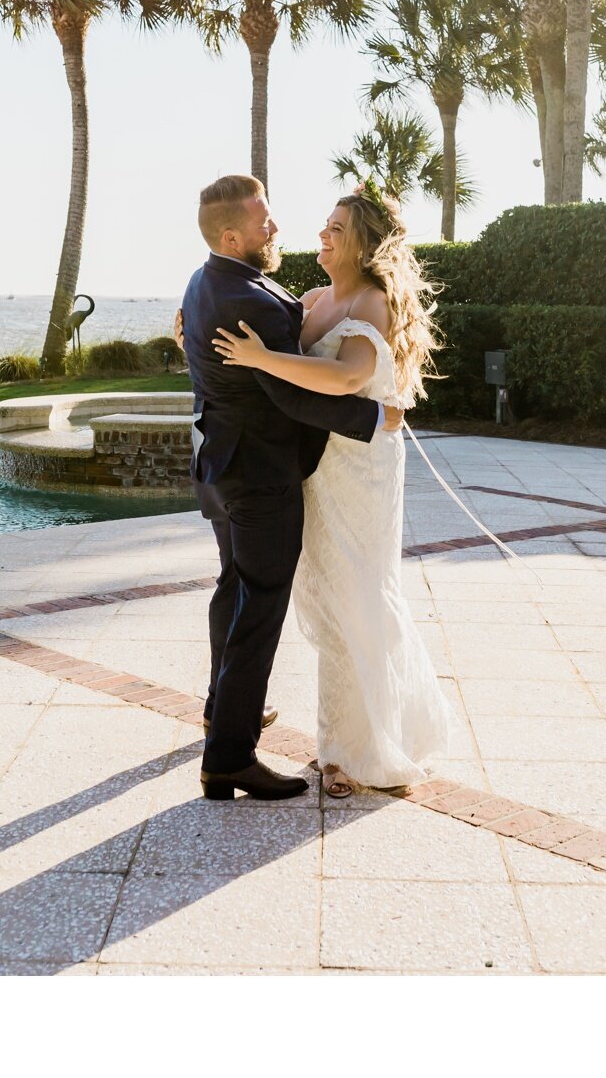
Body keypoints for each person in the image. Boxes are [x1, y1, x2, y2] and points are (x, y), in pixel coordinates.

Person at [213, 187, 455, 795]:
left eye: (337, 229)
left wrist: (261, 359)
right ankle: (336, 746)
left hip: (363, 465)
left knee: (361, 596)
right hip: (319, 466)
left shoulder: (372, 301)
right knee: (329, 600)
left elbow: (347, 376)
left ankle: (372, 750)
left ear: (364, 243)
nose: (322, 235)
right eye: (323, 225)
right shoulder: (317, 298)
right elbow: (268, 322)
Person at [178, 174, 404, 800]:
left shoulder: (207, 280)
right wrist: (371, 418)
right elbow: (289, 394)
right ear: (232, 235)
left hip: (224, 469)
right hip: (260, 476)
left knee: (236, 593)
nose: (277, 228)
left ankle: (224, 713)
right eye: (262, 221)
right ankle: (230, 754)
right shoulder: (252, 296)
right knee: (259, 608)